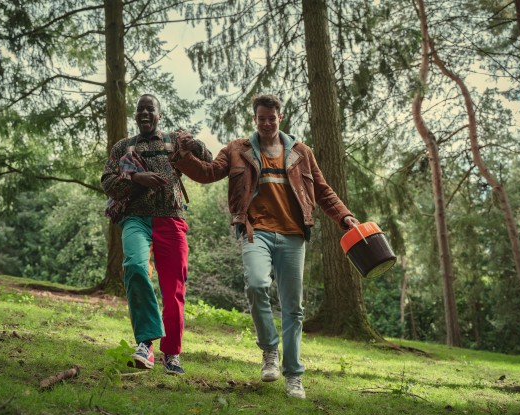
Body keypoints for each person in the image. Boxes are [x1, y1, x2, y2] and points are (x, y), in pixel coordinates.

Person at [174, 94, 359, 398]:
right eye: (261, 118)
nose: (267, 123)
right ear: (255, 119)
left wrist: (345, 216)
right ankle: (270, 350)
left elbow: (323, 191)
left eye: (272, 118)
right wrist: (183, 156)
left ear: (280, 117)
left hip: (293, 235)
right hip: (255, 231)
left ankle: (294, 376)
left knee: (293, 308)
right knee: (257, 285)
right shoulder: (237, 149)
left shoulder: (302, 152)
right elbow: (208, 173)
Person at [101, 94, 212, 374]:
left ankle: (171, 354)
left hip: (171, 219)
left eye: (150, 109)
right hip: (135, 219)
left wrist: (195, 144)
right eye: (140, 110)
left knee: (174, 288)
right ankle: (145, 344)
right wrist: (137, 178)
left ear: (159, 115)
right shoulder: (123, 146)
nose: (144, 113)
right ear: (135, 115)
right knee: (135, 267)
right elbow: (107, 182)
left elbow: (208, 161)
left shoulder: (174, 141)